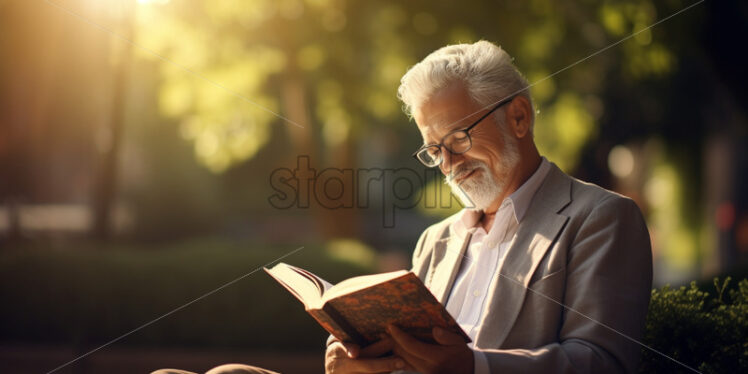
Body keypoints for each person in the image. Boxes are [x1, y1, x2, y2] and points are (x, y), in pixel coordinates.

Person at [155, 40, 653, 374]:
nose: (447, 162)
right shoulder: (434, 242)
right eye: (433, 149)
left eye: (457, 138)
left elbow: (602, 361)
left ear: (518, 117)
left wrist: (473, 367)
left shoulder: (600, 219)